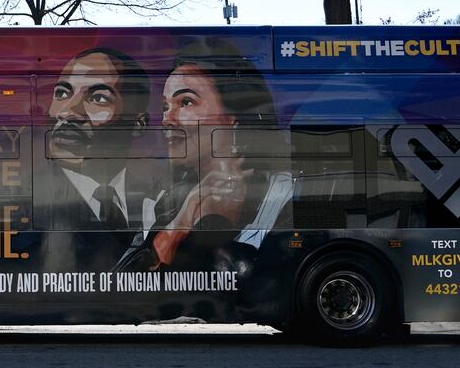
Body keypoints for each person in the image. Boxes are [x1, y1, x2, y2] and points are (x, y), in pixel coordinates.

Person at [119, 38, 293, 271]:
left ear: (233, 120)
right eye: (165, 107)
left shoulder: (283, 197)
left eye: (186, 102)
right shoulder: (162, 202)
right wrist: (178, 226)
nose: (167, 120)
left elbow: (266, 289)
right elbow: (120, 284)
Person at [40, 47, 156, 272]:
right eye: (62, 93)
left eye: (98, 98)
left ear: (138, 123)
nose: (67, 112)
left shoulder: (155, 200)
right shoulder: (18, 204)